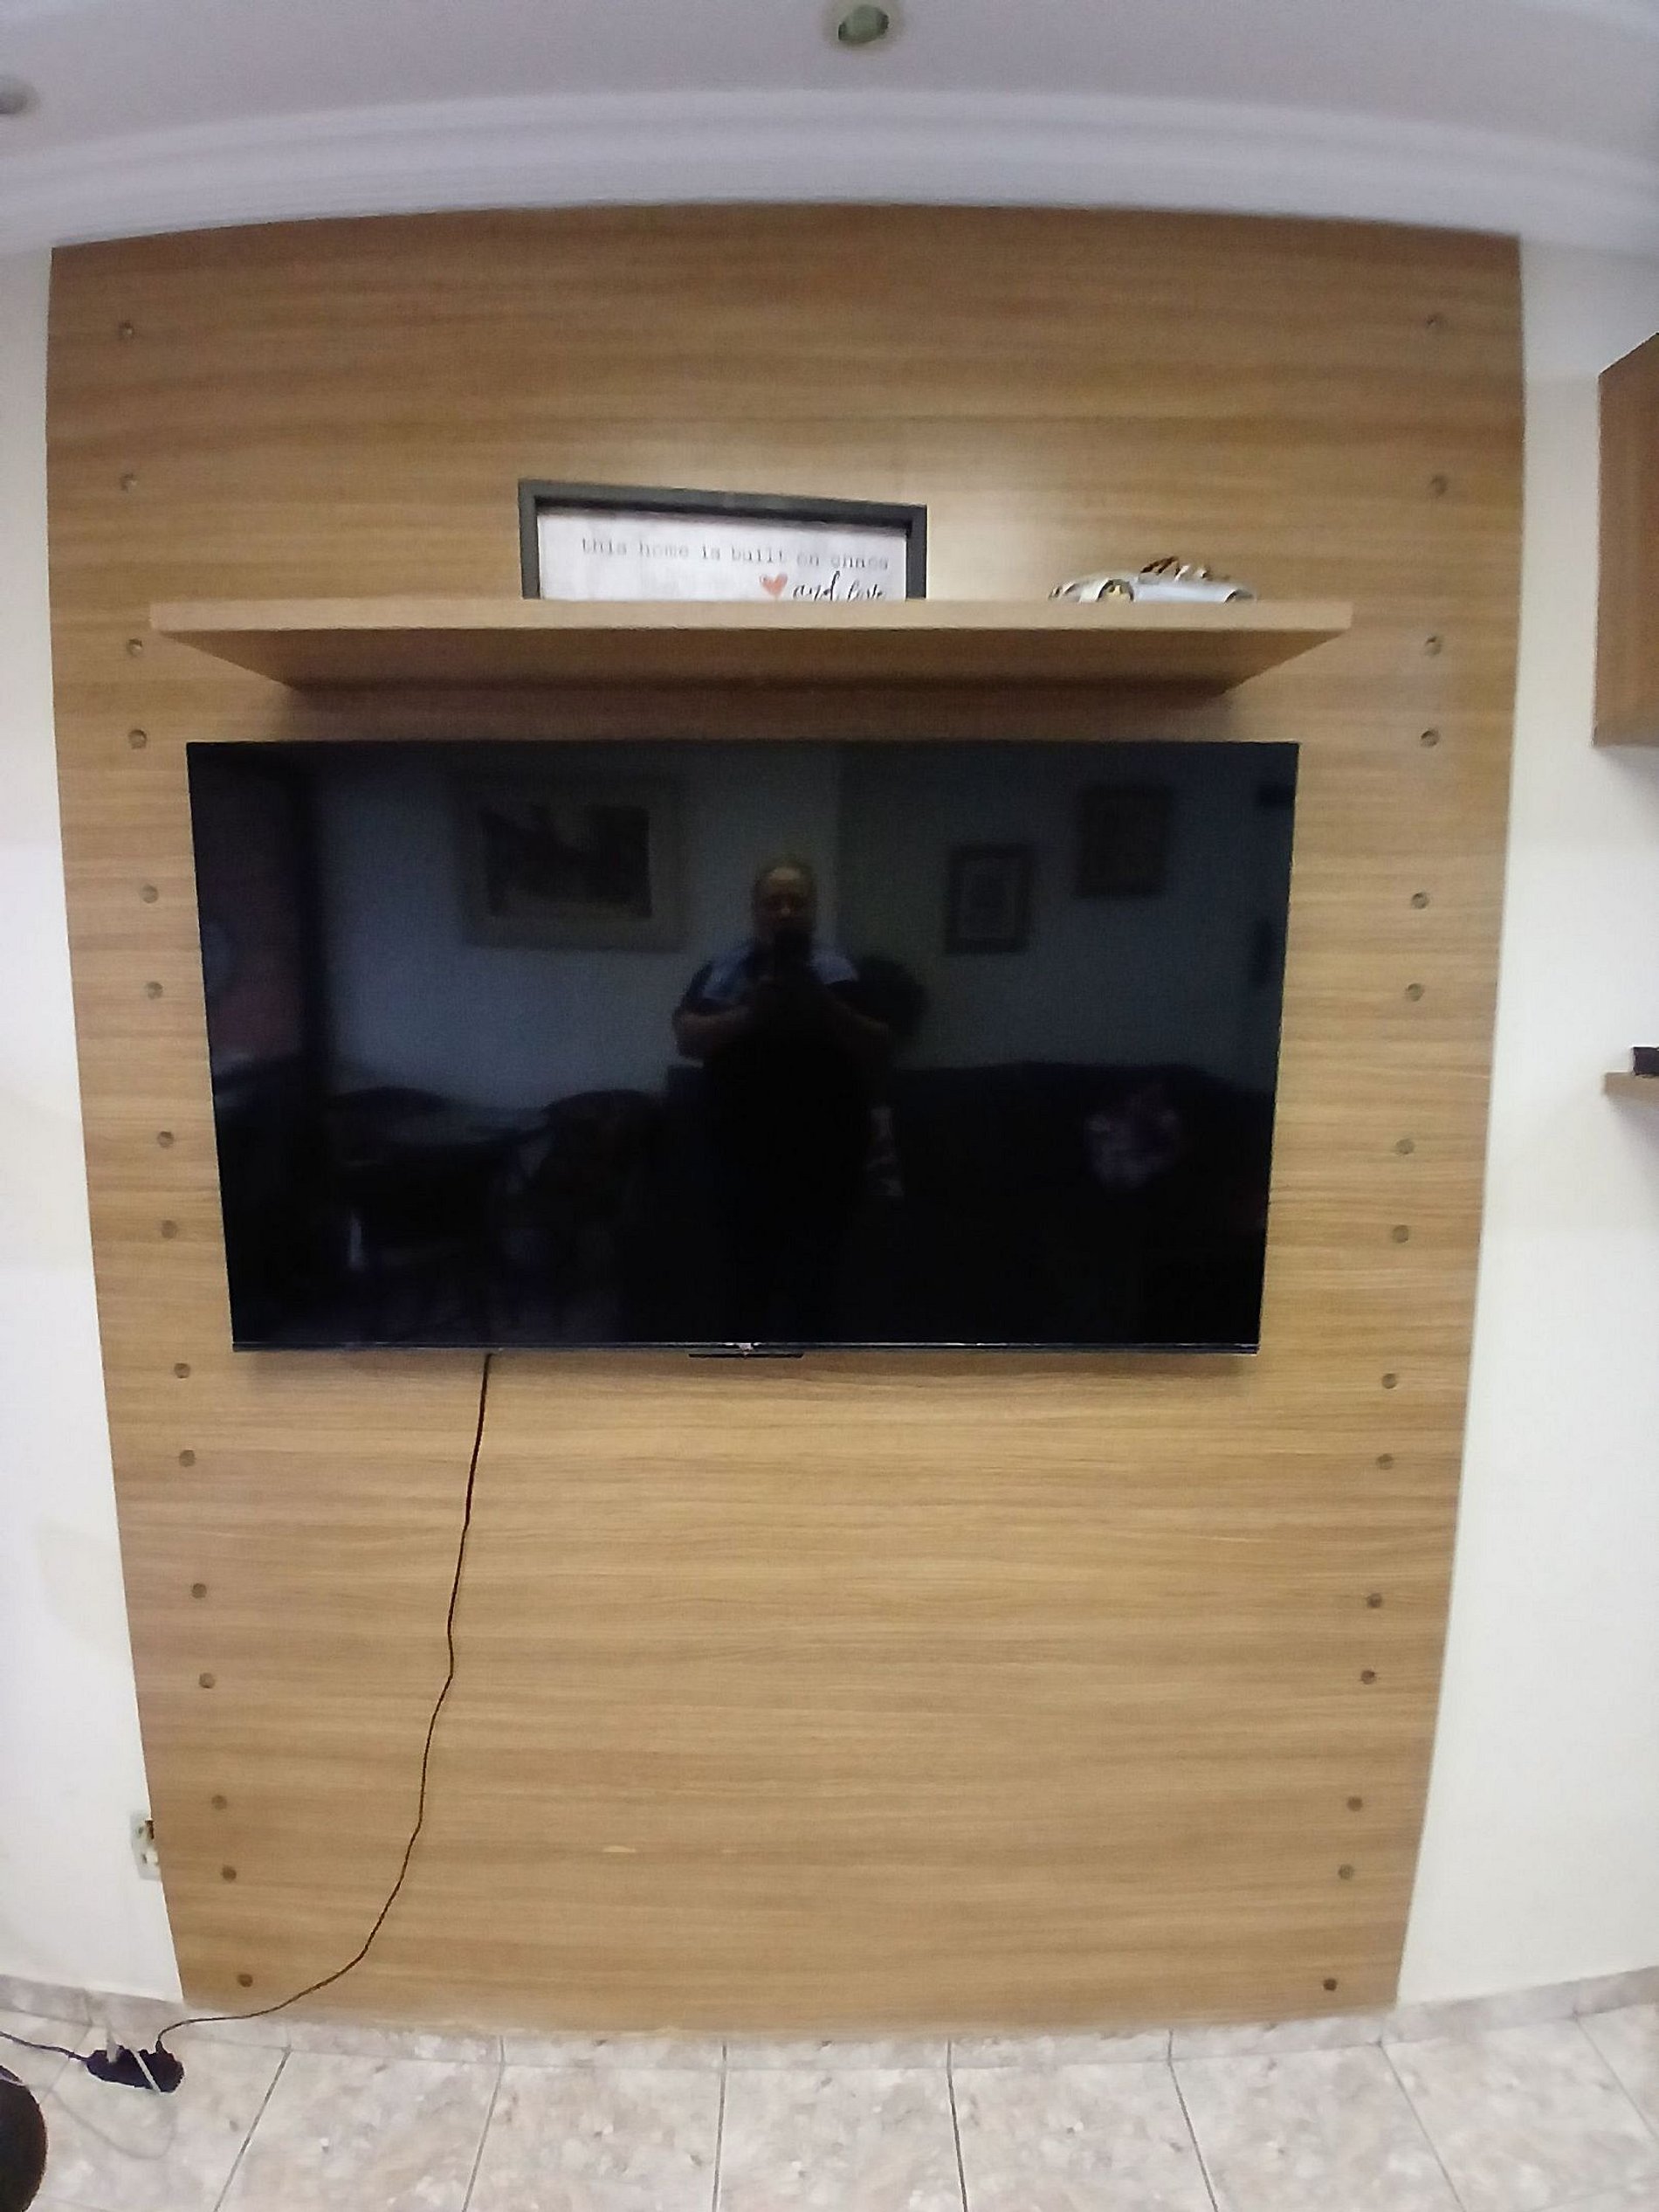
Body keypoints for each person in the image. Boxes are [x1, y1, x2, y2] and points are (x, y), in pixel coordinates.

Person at [673, 859, 889, 1340]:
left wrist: (825, 1005)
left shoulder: (843, 974)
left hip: (825, 1161)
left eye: (797, 902)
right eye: (774, 902)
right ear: (755, 910)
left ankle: (809, 1383)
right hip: (739, 1157)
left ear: (814, 911)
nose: (786, 912)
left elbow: (880, 1045)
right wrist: (751, 1013)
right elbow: (687, 1039)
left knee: (816, 1295)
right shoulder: (722, 973)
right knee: (741, 1293)